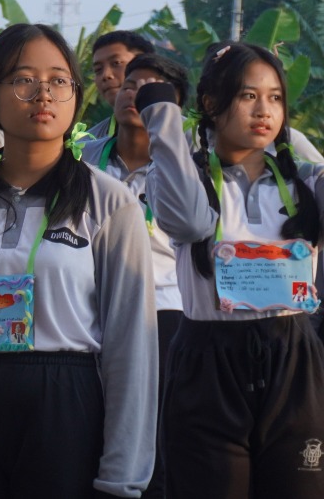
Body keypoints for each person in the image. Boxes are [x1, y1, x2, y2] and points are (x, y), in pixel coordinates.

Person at [0, 23, 156, 498]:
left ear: (76, 95)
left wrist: (123, 475)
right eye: (24, 79)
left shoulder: (109, 201)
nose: (43, 94)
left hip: (63, 403)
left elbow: (131, 343)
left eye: (59, 80)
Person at [139, 42, 324, 498]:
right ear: (210, 103)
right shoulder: (183, 178)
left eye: (275, 97)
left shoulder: (306, 180)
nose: (264, 111)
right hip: (209, 359)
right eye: (247, 96)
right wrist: (161, 113)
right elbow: (188, 223)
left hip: (293, 357)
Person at [79, 53, 188, 499]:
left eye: (151, 87)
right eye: (130, 84)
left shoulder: (188, 164)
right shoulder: (83, 158)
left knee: (154, 429)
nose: (135, 93)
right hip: (93, 306)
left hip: (164, 310)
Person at [87, 30, 155, 139]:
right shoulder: (88, 143)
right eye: (98, 69)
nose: (106, 75)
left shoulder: (182, 133)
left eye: (116, 63)